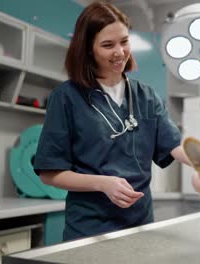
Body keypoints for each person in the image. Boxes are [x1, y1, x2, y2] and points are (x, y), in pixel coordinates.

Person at [34, 2, 189, 241]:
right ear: (88, 50)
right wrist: (102, 183)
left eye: (124, 42)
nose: (120, 52)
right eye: (108, 45)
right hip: (89, 230)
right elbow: (50, 173)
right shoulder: (66, 98)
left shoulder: (146, 96)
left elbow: (175, 147)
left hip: (140, 227)